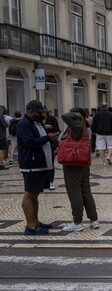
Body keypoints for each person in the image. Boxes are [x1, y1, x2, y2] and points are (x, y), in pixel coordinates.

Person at [16, 100, 60, 235]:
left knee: (35, 195)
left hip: (40, 165)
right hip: (31, 165)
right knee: (29, 194)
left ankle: (35, 222)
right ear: (30, 112)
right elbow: (30, 142)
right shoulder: (23, 124)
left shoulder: (36, 123)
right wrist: (48, 138)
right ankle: (30, 226)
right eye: (39, 112)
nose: (42, 115)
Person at [60, 107, 99, 232]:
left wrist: (77, 114)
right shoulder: (84, 126)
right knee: (85, 191)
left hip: (73, 163)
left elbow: (64, 115)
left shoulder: (77, 125)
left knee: (74, 191)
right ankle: (94, 220)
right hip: (83, 163)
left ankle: (77, 222)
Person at [43, 110, 60, 190]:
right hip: (40, 144)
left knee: (50, 162)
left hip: (51, 144)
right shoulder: (36, 120)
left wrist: (51, 127)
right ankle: (43, 182)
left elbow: (58, 129)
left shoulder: (52, 119)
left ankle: (50, 182)